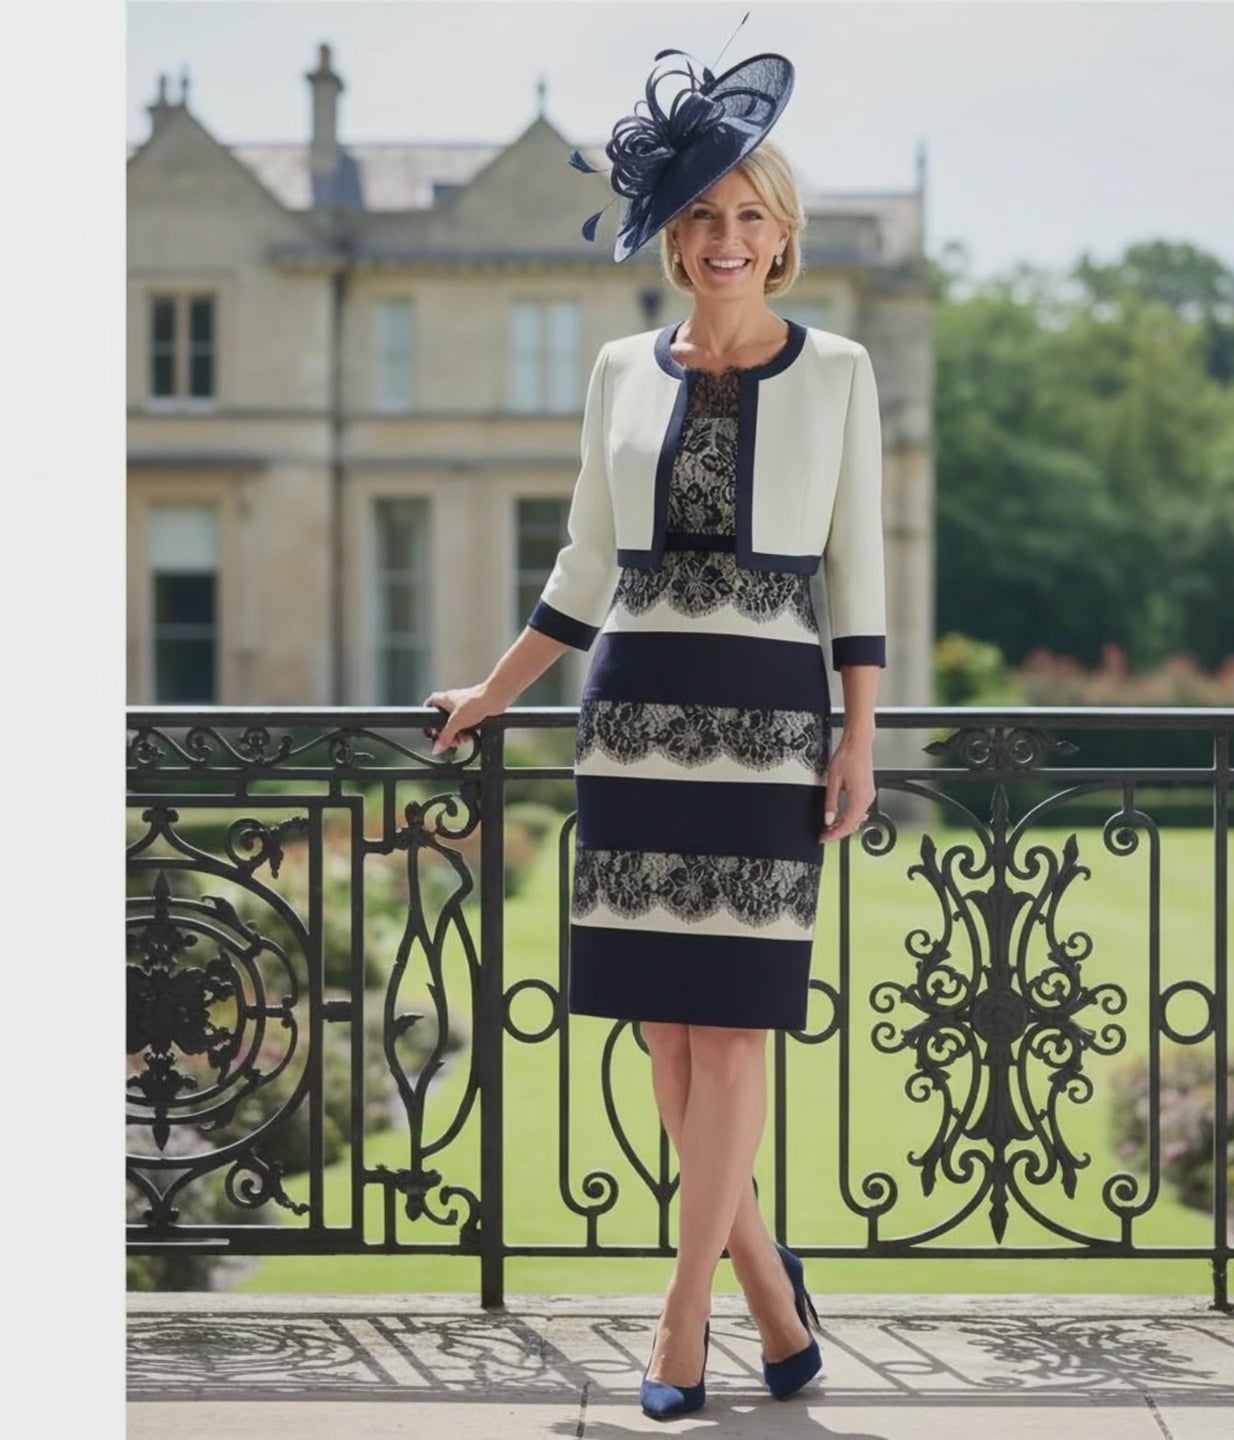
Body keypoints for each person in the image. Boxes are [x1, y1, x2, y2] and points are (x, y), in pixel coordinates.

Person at [425, 37, 885, 1420]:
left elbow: (857, 577)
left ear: (783, 237)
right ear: (671, 236)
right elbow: (582, 564)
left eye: (750, 216)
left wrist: (858, 739)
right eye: (703, 216)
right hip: (627, 720)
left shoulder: (841, 370)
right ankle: (769, 1294)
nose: (725, 237)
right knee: (662, 1039)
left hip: (767, 733)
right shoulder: (620, 368)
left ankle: (684, 1314)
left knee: (732, 1032)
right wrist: (492, 695)